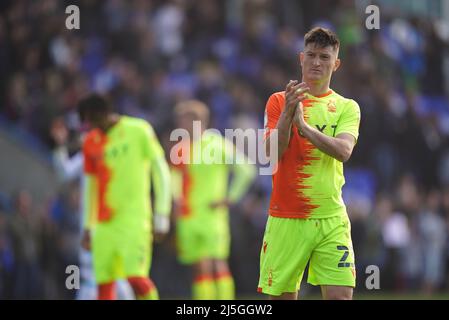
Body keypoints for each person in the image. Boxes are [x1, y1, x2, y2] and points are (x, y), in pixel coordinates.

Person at [258, 27, 361, 300]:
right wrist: (288, 116)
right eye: (312, 55)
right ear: (301, 58)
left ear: (335, 64)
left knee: (340, 297)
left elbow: (343, 151)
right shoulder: (279, 101)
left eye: (325, 57)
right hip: (287, 218)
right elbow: (269, 154)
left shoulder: (347, 107)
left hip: (331, 219)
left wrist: (304, 128)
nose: (317, 62)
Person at [78, 94, 171, 300]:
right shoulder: (91, 142)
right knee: (103, 284)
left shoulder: (138, 130)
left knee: (136, 279)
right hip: (103, 225)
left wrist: (162, 213)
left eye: (92, 120)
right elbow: (90, 188)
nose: (90, 126)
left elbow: (160, 169)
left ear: (103, 113)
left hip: (134, 219)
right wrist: (87, 225)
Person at [171, 100, 256, 299]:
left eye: (182, 121)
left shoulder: (217, 144)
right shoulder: (182, 148)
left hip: (211, 214)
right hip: (189, 216)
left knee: (214, 263)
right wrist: (175, 200)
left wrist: (230, 198)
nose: (179, 125)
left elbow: (246, 169)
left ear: (196, 121)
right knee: (200, 266)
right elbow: (174, 176)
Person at [50, 118, 134, 300]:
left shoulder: (117, 155)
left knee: (114, 273)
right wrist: (59, 146)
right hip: (89, 223)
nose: (83, 137)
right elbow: (64, 173)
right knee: (91, 273)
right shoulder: (86, 157)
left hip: (113, 221)